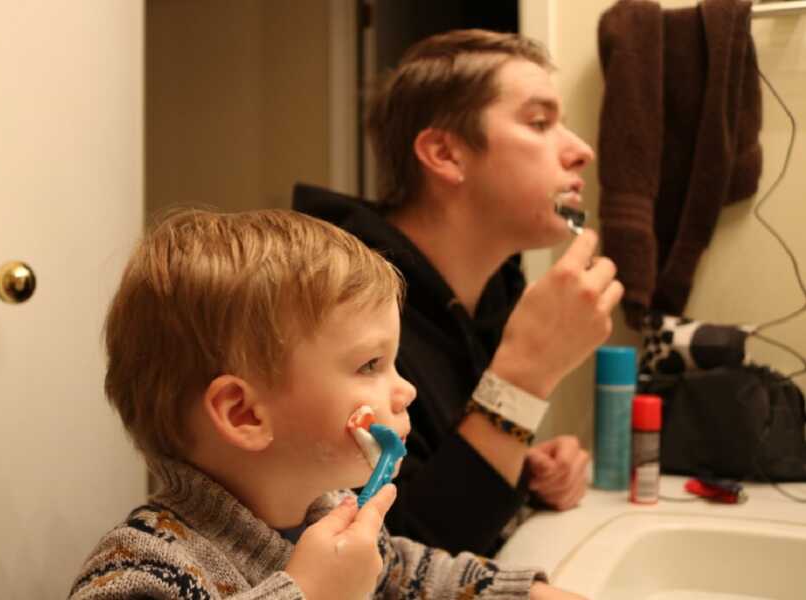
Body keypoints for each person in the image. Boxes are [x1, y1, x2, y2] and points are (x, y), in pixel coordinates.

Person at [68, 208, 588, 600]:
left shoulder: (329, 513)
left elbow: (421, 577)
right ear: (244, 414)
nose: (404, 390)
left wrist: (528, 594)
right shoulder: (143, 568)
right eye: (369, 366)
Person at [294, 29, 624, 557]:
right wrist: (524, 377)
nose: (580, 150)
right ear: (445, 152)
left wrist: (523, 470)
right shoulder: (335, 298)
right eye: (539, 123)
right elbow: (389, 560)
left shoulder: (497, 294)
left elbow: (438, 475)